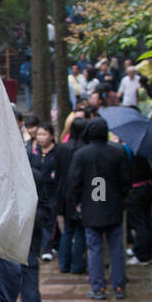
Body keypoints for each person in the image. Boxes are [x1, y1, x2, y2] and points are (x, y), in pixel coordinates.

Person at [0, 112, 52, 302]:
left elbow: (46, 208)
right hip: (2, 244)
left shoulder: (35, 175)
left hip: (28, 244)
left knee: (31, 298)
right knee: (3, 296)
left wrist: (44, 241)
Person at [69, 117, 131, 300]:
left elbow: (75, 182)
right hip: (113, 207)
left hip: (91, 208)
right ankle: (118, 286)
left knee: (94, 248)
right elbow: (126, 180)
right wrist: (121, 198)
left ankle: (98, 287)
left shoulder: (81, 155)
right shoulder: (117, 153)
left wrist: (79, 201)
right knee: (116, 248)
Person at [55, 114, 88, 274]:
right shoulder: (85, 149)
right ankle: (76, 265)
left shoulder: (62, 148)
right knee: (80, 231)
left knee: (68, 230)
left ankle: (64, 263)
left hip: (65, 194)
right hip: (81, 194)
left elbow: (59, 173)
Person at [32, 123, 60, 260]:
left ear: (51, 136)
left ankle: (47, 248)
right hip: (37, 191)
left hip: (52, 191)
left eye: (44, 134)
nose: (41, 137)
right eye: (39, 134)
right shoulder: (34, 152)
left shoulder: (57, 152)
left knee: (50, 220)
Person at [126, 152, 152, 266]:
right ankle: (148, 250)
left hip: (137, 189)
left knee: (139, 222)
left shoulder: (133, 152)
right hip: (149, 186)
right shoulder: (148, 151)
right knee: (147, 220)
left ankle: (141, 255)